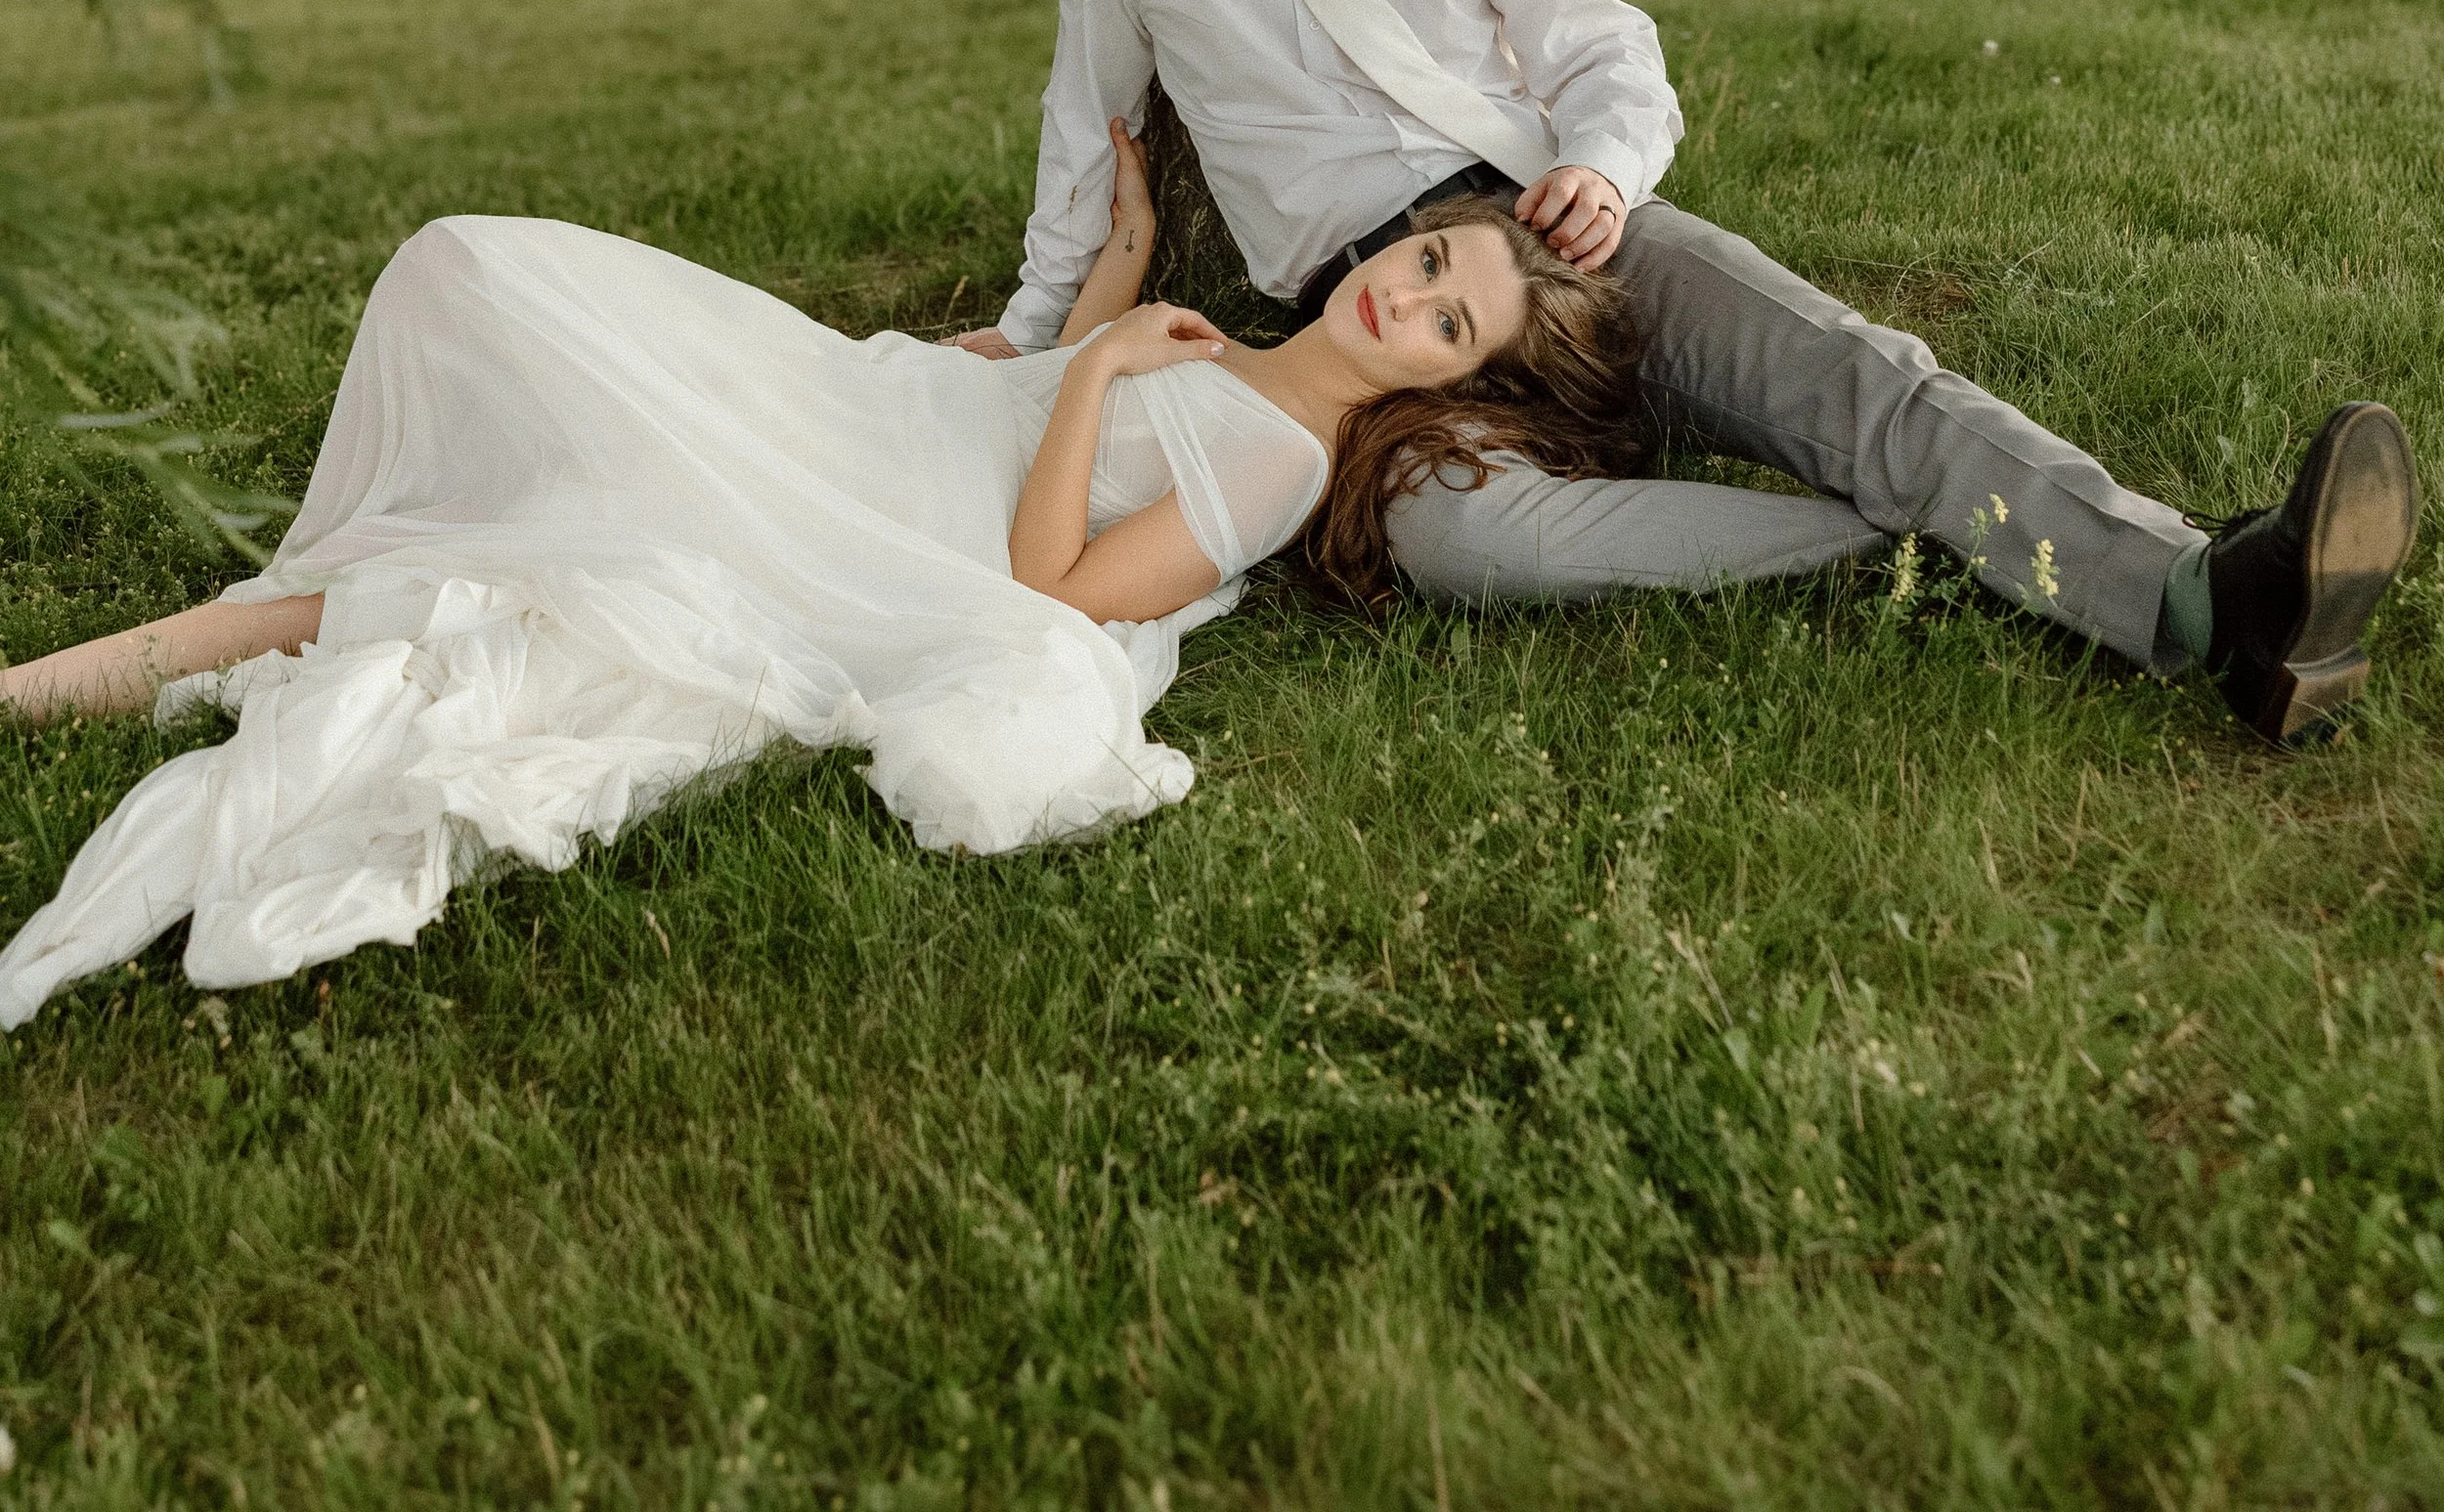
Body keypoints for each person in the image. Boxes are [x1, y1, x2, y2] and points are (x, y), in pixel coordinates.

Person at [959, 0, 2421, 747]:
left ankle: (2215, 597)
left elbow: (1610, 55)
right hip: (1375, 319)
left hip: (1547, 238)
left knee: (1849, 371)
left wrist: (1600, 170)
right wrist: (1030, 338)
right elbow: (1084, 135)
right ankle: (1914, 543)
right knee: (1469, 541)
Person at [0, 132, 1639, 1025]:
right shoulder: (1258, 360)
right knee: (473, 282)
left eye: (1448, 322)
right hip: (886, 411)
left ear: (1450, 380)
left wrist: (1096, 369)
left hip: (891, 520)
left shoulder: (1282, 465)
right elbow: (1064, 393)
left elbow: (1056, 588)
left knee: (478, 567)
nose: (1407, 296)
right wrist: (1124, 257)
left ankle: (36, 691)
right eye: (1431, 257)